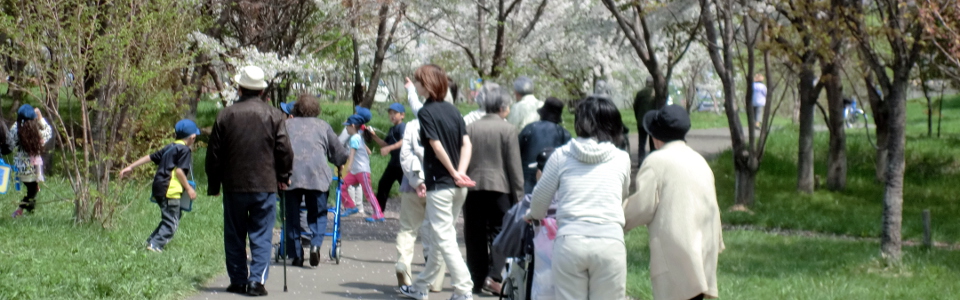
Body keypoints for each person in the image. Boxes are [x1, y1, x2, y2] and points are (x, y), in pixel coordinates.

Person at [523, 96, 631, 300]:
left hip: (570, 242)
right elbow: (621, 196)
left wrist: (532, 214)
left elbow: (539, 202)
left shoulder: (560, 155)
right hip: (610, 242)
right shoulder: (622, 158)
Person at [206, 65, 294, 297]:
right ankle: (256, 281)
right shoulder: (275, 115)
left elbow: (214, 153)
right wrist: (284, 177)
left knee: (234, 233)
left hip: (234, 185)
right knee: (261, 234)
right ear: (262, 91)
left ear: (240, 88)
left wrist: (214, 185)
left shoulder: (225, 115)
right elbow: (284, 150)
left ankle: (237, 279)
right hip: (265, 184)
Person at [624, 105, 724, 300]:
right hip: (704, 244)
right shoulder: (699, 160)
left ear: (655, 136)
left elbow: (643, 207)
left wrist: (615, 217)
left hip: (676, 251)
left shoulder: (656, 162)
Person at [399, 64, 477, 300]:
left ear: (428, 84)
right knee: (440, 236)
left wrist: (454, 172)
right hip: (457, 187)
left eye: (419, 81)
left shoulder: (426, 112)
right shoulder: (454, 111)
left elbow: (435, 145)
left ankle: (464, 289)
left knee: (443, 237)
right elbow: (467, 144)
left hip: (440, 185)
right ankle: (421, 286)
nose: (417, 84)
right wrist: (460, 172)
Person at [463, 83, 523, 295]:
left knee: (474, 233)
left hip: (472, 188)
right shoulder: (508, 129)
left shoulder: (470, 128)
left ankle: (476, 278)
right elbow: (514, 166)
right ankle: (494, 275)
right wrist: (519, 197)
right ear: (502, 107)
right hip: (500, 189)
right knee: (500, 231)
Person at [282, 95, 348, 267]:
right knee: (318, 212)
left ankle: (296, 254)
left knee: (291, 216)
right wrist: (339, 163)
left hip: (291, 176)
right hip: (317, 176)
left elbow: (277, 148)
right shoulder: (323, 126)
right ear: (316, 109)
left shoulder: (286, 125)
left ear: (296, 109)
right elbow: (338, 152)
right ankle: (315, 244)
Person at [395, 77, 446, 291]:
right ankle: (435, 281)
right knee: (439, 231)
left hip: (412, 185)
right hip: (439, 185)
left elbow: (405, 155)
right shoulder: (444, 125)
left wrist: (417, 181)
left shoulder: (412, 126)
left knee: (408, 229)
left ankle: (403, 265)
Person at [119, 119, 200, 252]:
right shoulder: (184, 150)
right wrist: (189, 188)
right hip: (170, 191)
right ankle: (155, 245)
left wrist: (130, 167)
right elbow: (179, 172)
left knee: (170, 217)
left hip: (159, 188)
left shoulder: (170, 147)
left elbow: (150, 157)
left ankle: (151, 241)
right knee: (171, 222)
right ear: (192, 137)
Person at [518, 97, 571, 193]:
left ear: (542, 113)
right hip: (553, 184)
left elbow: (516, 152)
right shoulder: (564, 134)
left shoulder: (529, 128)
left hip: (527, 181)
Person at [339, 113, 385, 222]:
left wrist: (348, 166)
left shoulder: (355, 137)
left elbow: (352, 153)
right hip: (355, 171)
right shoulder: (357, 137)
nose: (346, 128)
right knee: (342, 186)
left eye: (348, 126)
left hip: (362, 170)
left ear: (353, 126)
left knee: (368, 193)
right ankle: (350, 206)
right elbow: (365, 151)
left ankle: (378, 214)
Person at [9, 104, 52, 216]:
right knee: (32, 191)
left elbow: (10, 143)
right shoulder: (37, 135)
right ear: (34, 119)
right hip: (34, 170)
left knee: (32, 189)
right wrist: (40, 117)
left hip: (21, 168)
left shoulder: (16, 131)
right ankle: (20, 210)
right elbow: (49, 132)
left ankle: (30, 209)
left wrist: (18, 122)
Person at [368, 102, 407, 213]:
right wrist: (373, 136)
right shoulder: (392, 129)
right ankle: (379, 212)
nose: (392, 115)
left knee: (409, 191)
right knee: (383, 185)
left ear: (402, 115)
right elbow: (385, 145)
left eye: (395, 113)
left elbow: (403, 141)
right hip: (393, 164)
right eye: (390, 113)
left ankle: (421, 212)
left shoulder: (402, 127)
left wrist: (389, 149)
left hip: (403, 164)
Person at [633, 77, 656, 161]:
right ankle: (652, 161)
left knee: (641, 143)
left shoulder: (640, 93)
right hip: (653, 121)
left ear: (646, 82)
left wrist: (638, 117)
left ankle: (640, 161)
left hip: (641, 121)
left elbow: (635, 106)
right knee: (653, 143)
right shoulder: (656, 93)